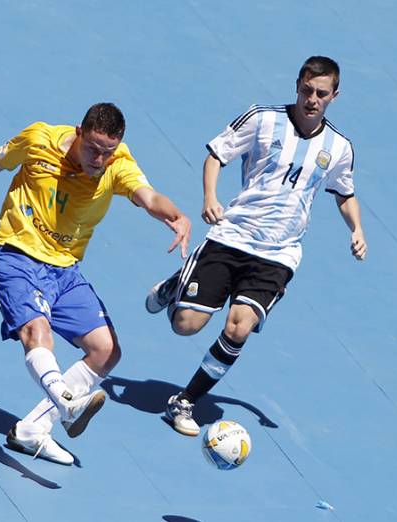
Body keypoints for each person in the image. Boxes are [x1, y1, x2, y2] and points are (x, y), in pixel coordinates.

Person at [0, 103, 191, 464]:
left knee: (106, 350)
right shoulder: (40, 140)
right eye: (93, 148)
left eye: (108, 151)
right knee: (37, 333)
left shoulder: (118, 165)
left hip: (64, 271)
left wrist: (175, 215)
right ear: (79, 132)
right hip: (15, 254)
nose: (99, 159)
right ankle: (68, 404)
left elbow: (148, 198)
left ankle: (32, 430)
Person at [145, 56, 367, 436]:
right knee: (186, 325)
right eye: (307, 90)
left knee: (238, 328)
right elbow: (216, 155)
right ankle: (179, 284)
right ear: (297, 85)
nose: (312, 99)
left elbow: (344, 194)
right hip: (232, 236)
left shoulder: (339, 147)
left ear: (335, 95)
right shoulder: (263, 119)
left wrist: (356, 229)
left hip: (278, 254)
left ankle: (185, 401)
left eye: (322, 94)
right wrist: (209, 197)